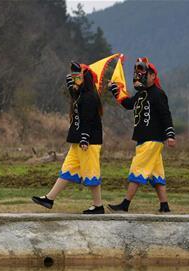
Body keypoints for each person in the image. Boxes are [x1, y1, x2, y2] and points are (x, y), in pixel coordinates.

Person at [32, 61, 106, 214]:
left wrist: (85, 138)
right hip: (78, 141)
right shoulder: (81, 95)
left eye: (77, 75)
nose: (74, 78)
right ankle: (49, 199)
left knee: (91, 174)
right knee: (67, 170)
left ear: (85, 78)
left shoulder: (90, 97)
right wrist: (70, 88)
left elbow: (88, 119)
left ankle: (98, 206)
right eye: (73, 75)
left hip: (88, 142)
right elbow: (77, 101)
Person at [107, 57, 176, 213]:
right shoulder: (141, 94)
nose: (141, 75)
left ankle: (125, 204)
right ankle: (164, 206)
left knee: (137, 170)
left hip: (152, 139)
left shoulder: (158, 94)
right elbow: (128, 104)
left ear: (153, 76)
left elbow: (166, 115)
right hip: (144, 139)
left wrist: (170, 134)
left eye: (146, 73)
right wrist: (115, 91)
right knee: (156, 175)